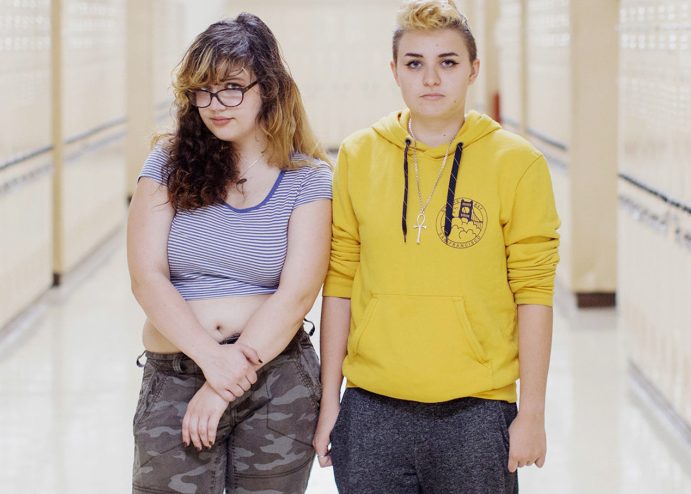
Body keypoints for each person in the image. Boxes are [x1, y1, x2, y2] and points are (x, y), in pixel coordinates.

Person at [313, 1, 560, 492]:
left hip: (477, 411)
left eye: (447, 62)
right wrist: (330, 403)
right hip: (371, 407)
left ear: (473, 70)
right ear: (395, 72)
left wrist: (532, 412)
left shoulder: (517, 163)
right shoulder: (359, 155)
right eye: (415, 63)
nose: (431, 78)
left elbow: (534, 292)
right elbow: (339, 282)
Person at [127, 14, 332, 494]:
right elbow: (147, 277)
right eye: (204, 90)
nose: (215, 104)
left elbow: (296, 295)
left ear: (270, 89)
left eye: (233, 88)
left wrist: (224, 381)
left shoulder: (309, 178)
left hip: (277, 384)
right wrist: (213, 364)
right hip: (176, 376)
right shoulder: (166, 163)